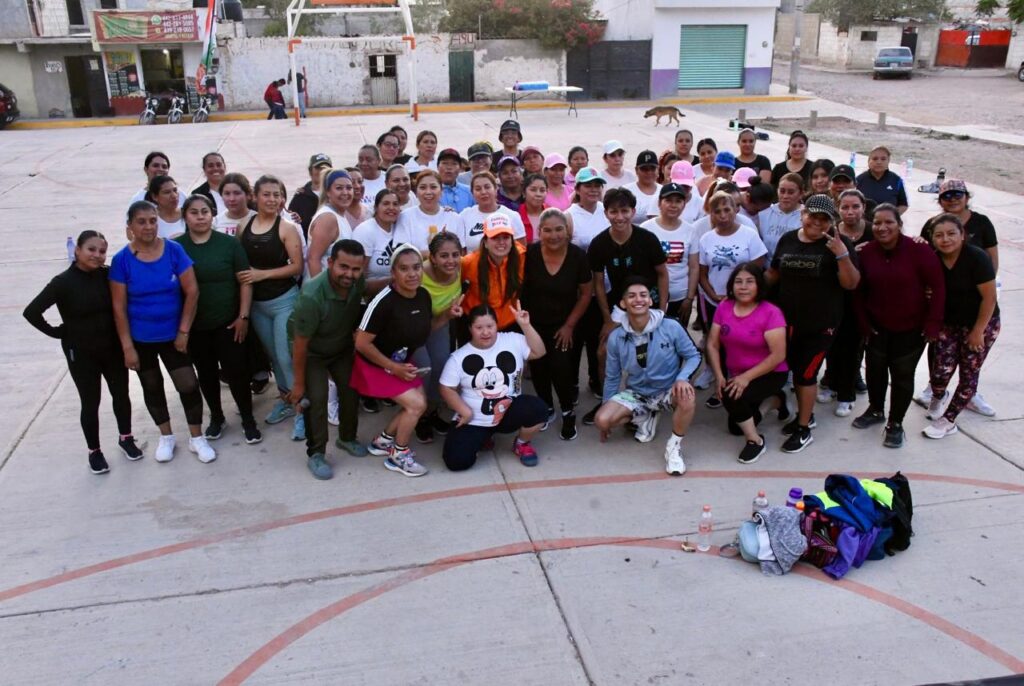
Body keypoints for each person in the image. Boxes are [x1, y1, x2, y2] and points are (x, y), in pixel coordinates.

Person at [24, 230, 143, 474]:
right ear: (77, 250)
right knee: (90, 402)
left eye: (102, 251)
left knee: (121, 394)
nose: (97, 255)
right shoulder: (62, 282)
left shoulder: (108, 275)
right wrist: (57, 332)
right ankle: (94, 451)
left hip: (112, 348)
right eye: (91, 249)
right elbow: (32, 312)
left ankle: (126, 438)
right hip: (81, 353)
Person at [110, 201, 213, 463]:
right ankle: (166, 437)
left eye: (153, 221)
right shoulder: (121, 260)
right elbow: (119, 308)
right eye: (141, 222)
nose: (148, 226)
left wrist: (184, 331)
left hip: (174, 336)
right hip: (141, 339)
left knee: (188, 384)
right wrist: (127, 347)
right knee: (152, 386)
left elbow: (192, 291)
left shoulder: (174, 250)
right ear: (130, 226)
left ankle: (196, 438)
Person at [354, 244, 463, 477]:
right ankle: (398, 455)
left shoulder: (422, 295)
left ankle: (383, 441)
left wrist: (447, 315)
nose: (412, 274)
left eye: (416, 267)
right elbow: (361, 343)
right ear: (393, 273)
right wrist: (393, 367)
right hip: (373, 364)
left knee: (415, 403)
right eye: (404, 269)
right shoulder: (383, 302)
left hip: (398, 363)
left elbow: (425, 330)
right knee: (416, 404)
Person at [766, 194, 860, 453]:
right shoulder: (788, 239)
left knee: (806, 374)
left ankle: (803, 428)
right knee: (794, 371)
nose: (817, 222)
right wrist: (745, 290)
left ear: (832, 221)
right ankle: (806, 414)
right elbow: (774, 273)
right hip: (788, 323)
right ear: (802, 214)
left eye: (823, 218)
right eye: (812, 216)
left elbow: (851, 283)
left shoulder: (839, 243)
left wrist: (842, 255)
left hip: (822, 325)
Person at [853, 204, 945, 448]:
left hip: (911, 329)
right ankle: (875, 410)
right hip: (876, 327)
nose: (882, 227)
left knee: (902, 375)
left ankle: (895, 423)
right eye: (877, 223)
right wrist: (863, 323)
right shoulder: (866, 252)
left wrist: (933, 324)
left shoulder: (919, 250)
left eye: (889, 222)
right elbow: (858, 292)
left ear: (900, 225)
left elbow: (938, 288)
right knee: (874, 370)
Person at [173, 194, 261, 444]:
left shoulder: (229, 244)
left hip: (229, 323)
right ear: (185, 216)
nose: (200, 217)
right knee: (206, 373)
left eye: (205, 211)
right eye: (194, 212)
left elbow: (245, 281)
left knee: (237, 373)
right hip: (196, 326)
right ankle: (217, 417)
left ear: (212, 214)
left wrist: (243, 316)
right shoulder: (177, 247)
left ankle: (248, 419)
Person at [594, 278, 700, 475]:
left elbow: (694, 355)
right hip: (637, 392)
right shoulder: (616, 337)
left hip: (668, 389)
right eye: (631, 296)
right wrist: (607, 404)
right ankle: (645, 416)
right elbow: (612, 376)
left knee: (687, 397)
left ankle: (674, 447)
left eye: (643, 295)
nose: (638, 300)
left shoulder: (671, 326)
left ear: (650, 301)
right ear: (623, 303)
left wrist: (682, 378)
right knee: (602, 420)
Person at [583, 188, 670, 425]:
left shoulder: (647, 239)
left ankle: (649, 402)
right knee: (602, 352)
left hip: (648, 301)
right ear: (606, 213)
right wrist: (607, 319)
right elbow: (598, 283)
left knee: (650, 353)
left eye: (624, 211)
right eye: (614, 211)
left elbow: (663, 274)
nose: (619, 217)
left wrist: (662, 310)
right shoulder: (599, 243)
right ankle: (607, 401)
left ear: (633, 211)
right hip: (620, 305)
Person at [916, 178, 1000, 416]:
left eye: (957, 194)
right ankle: (936, 391)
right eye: (947, 196)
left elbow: (992, 263)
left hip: (975, 307)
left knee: (970, 362)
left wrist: (981, 284)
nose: (952, 199)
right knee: (940, 358)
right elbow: (922, 259)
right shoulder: (932, 227)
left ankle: (968, 396)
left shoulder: (981, 229)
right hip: (946, 312)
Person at [287, 240, 370, 479]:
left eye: (355, 269)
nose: (349, 274)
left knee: (351, 389)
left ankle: (347, 438)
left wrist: (395, 280)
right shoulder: (312, 295)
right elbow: (300, 345)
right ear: (330, 263)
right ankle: (316, 453)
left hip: (340, 347)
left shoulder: (356, 282)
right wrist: (298, 384)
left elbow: (368, 289)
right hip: (312, 353)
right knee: (317, 399)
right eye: (343, 267)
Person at [439, 304, 547, 470]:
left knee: (538, 409)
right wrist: (464, 411)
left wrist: (525, 325)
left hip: (508, 411)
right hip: (475, 419)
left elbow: (539, 352)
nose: (485, 332)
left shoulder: (513, 340)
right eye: (479, 328)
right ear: (470, 328)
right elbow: (446, 388)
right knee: (456, 462)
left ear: (497, 325)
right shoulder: (458, 357)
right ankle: (483, 438)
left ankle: (521, 443)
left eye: (490, 326)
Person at [239, 175, 306, 440]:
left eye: (277, 195)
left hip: (284, 301)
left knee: (286, 356)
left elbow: (297, 267)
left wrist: (261, 275)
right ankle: (286, 400)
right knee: (274, 357)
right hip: (258, 305)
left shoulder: (287, 228)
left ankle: (302, 411)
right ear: (255, 196)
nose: (272, 199)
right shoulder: (244, 225)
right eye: (266, 194)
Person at [705, 263, 788, 464]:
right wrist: (719, 376)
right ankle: (775, 401)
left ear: (759, 285)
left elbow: (778, 355)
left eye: (750, 282)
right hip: (737, 373)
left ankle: (755, 441)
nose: (743, 287)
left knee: (731, 395)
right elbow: (712, 344)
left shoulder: (771, 312)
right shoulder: (724, 307)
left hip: (770, 373)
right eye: (738, 282)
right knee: (735, 427)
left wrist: (745, 378)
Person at [521, 208, 593, 440]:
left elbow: (586, 294)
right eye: (548, 230)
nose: (554, 235)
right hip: (535, 325)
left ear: (567, 230)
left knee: (561, 368)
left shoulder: (578, 256)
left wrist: (570, 325)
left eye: (559, 229)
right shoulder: (530, 254)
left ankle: (568, 411)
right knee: (539, 368)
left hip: (565, 325)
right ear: (539, 232)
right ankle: (546, 408)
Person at [694, 190, 768, 400]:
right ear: (710, 214)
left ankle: (739, 380)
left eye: (727, 209)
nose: (723, 215)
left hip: (743, 301)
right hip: (714, 301)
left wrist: (738, 294)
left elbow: (758, 265)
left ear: (736, 210)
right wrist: (713, 295)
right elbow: (702, 273)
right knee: (714, 340)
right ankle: (716, 376)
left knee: (738, 341)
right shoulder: (706, 239)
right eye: (717, 211)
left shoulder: (748, 234)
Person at [823, 188, 874, 416]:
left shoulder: (875, 230)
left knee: (853, 348)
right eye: (845, 207)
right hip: (836, 297)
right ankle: (831, 383)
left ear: (864, 207)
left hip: (863, 298)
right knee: (832, 344)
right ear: (838, 209)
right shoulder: (831, 232)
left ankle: (847, 393)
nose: (850, 211)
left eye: (855, 206)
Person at [413, 231, 464, 443]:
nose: (450, 261)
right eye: (444, 256)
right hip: (414, 329)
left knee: (442, 367)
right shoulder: (418, 274)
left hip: (440, 323)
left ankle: (431, 412)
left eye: (455, 255)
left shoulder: (462, 268)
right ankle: (417, 414)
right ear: (432, 258)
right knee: (424, 369)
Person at [566, 167, 609, 404]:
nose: (593, 189)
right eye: (588, 185)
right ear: (578, 189)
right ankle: (571, 382)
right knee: (575, 340)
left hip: (603, 288)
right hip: (578, 290)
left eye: (597, 185)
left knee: (597, 339)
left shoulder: (606, 211)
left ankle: (595, 378)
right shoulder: (569, 215)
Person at [640, 182, 697, 327]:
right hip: (651, 297)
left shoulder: (690, 231)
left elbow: (694, 267)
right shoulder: (646, 229)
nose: (673, 205)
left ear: (684, 205)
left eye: (678, 201)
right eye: (668, 200)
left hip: (680, 297)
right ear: (659, 203)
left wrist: (689, 298)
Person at [461, 214, 526, 335]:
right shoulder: (468, 263)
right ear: (485, 242)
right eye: (495, 238)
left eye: (506, 237)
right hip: (478, 328)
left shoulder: (522, 257)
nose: (501, 242)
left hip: (511, 325)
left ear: (512, 241)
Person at [395, 170, 464, 253]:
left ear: (441, 191)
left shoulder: (454, 218)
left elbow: (461, 253)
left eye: (433, 187)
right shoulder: (405, 217)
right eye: (423, 187)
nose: (428, 192)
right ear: (416, 192)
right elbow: (402, 253)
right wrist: (435, 252)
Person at [304, 169, 355, 279]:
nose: (345, 192)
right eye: (339, 188)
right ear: (328, 192)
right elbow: (313, 259)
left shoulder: (340, 215)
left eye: (349, 188)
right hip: (323, 286)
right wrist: (320, 289)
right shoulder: (328, 218)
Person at [459, 171, 526, 252]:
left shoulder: (512, 215)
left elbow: (521, 250)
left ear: (496, 189)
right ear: (472, 193)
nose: (483, 192)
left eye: (487, 187)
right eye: (478, 189)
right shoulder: (464, 215)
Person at [354, 189, 402, 288]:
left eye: (395, 204)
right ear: (376, 208)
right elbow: (359, 277)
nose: (391, 208)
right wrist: (394, 280)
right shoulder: (365, 231)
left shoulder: (400, 228)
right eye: (386, 204)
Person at [757, 172, 803, 262]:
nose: (785, 196)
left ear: (801, 194)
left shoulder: (806, 216)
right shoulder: (764, 215)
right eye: (782, 191)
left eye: (791, 192)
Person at [288, 153, 333, 238]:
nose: (321, 171)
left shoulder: (335, 195)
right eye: (318, 168)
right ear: (310, 171)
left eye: (325, 168)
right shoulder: (301, 196)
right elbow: (290, 221)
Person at [855, 146, 908, 214]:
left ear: (888, 161)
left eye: (883, 159)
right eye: (875, 159)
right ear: (868, 161)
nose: (879, 162)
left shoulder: (896, 180)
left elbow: (903, 205)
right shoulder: (859, 180)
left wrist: (893, 216)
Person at [623, 150, 662, 221]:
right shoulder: (626, 191)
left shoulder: (664, 191)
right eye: (644, 169)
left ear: (658, 169)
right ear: (636, 170)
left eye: (652, 168)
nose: (649, 172)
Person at [215, 172, 255, 237]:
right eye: (227, 193)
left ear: (248, 195)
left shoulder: (258, 219)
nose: (232, 199)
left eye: (237, 193)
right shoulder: (215, 223)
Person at [191, 152, 228, 217]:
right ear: (204, 170)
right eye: (210, 166)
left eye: (219, 165)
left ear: (224, 167)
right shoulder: (198, 194)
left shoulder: (238, 188)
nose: (215, 168)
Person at [437, 148, 473, 212]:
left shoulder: (470, 192)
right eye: (445, 163)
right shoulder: (431, 192)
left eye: (454, 163)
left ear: (460, 168)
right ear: (437, 167)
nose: (449, 167)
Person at [518, 173, 549, 243]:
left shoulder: (553, 214)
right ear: (523, 193)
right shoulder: (516, 216)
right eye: (533, 190)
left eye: (542, 190)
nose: (538, 194)